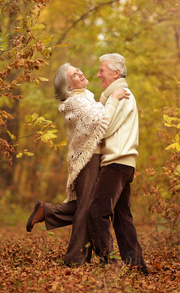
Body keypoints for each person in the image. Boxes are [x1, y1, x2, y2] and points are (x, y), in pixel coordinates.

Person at [26, 63, 129, 266]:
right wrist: (114, 99)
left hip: (97, 157)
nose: (81, 73)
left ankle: (47, 212)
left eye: (79, 70)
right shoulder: (73, 103)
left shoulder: (87, 97)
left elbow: (103, 119)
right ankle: (76, 258)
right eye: (74, 74)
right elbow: (98, 121)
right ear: (69, 86)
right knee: (88, 208)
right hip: (87, 160)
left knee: (91, 206)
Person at [87, 53, 148, 275]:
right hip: (123, 162)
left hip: (117, 162)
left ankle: (109, 264)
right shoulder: (115, 94)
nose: (98, 74)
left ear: (116, 72)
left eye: (102, 70)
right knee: (122, 218)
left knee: (97, 212)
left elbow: (105, 127)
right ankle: (137, 266)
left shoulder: (121, 95)